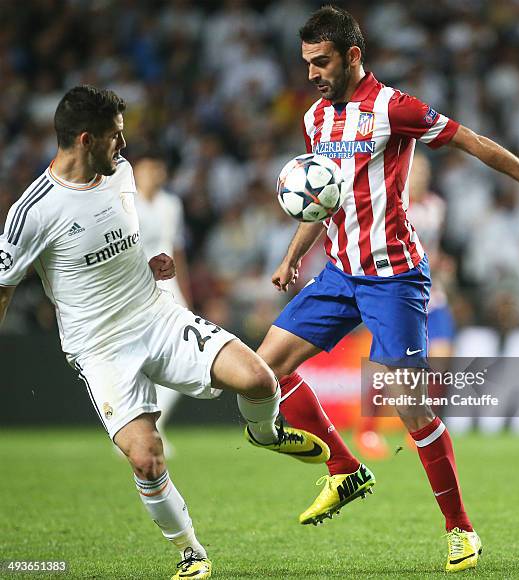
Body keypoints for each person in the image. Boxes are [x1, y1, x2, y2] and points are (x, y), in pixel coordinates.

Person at [251, 6, 519, 573]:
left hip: (394, 278)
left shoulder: (393, 108)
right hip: (337, 274)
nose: (311, 73)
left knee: (408, 404)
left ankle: (461, 531)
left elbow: (473, 142)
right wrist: (291, 256)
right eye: (306, 62)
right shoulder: (315, 120)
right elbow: (321, 199)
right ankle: (344, 468)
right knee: (261, 373)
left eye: (322, 61)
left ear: (353, 56)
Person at [0, 85, 329, 580]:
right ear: (86, 139)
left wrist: (153, 265)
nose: (124, 147)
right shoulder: (32, 213)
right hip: (101, 347)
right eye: (115, 137)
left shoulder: (123, 175)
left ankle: (265, 433)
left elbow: (127, 245)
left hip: (157, 316)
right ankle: (192, 552)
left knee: (261, 379)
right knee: (147, 458)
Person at [133, 150, 192, 456]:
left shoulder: (172, 204)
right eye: (147, 169)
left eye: (157, 169)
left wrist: (186, 292)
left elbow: (176, 248)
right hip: (133, 291)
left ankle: (153, 425)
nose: (153, 174)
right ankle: (137, 431)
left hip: (169, 288)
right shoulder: (125, 202)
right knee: (137, 362)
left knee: (185, 358)